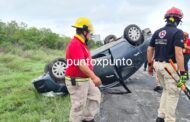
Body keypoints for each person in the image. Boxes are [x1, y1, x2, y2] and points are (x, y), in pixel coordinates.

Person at [147, 7, 187, 122]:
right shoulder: (178, 32)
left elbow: (150, 50)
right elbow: (179, 53)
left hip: (158, 65)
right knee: (173, 94)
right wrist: (183, 73)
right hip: (170, 67)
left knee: (166, 90)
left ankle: (161, 116)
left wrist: (150, 66)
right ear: (178, 20)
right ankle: (169, 120)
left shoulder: (158, 32)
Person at [65, 17, 102, 122]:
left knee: (95, 95)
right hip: (76, 81)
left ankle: (87, 118)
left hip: (84, 79)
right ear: (84, 31)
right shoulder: (75, 43)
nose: (91, 34)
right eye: (90, 32)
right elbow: (81, 65)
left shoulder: (82, 43)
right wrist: (94, 77)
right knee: (78, 107)